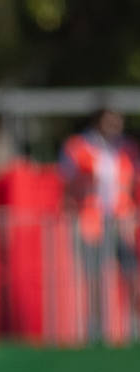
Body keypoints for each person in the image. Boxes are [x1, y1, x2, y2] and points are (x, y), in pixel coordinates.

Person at [58, 107, 140, 342]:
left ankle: (134, 326)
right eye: (109, 121)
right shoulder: (79, 146)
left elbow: (131, 184)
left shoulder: (127, 148)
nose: (114, 126)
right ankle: (96, 329)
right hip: (91, 220)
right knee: (93, 276)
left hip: (122, 221)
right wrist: (70, 210)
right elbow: (67, 183)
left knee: (131, 273)